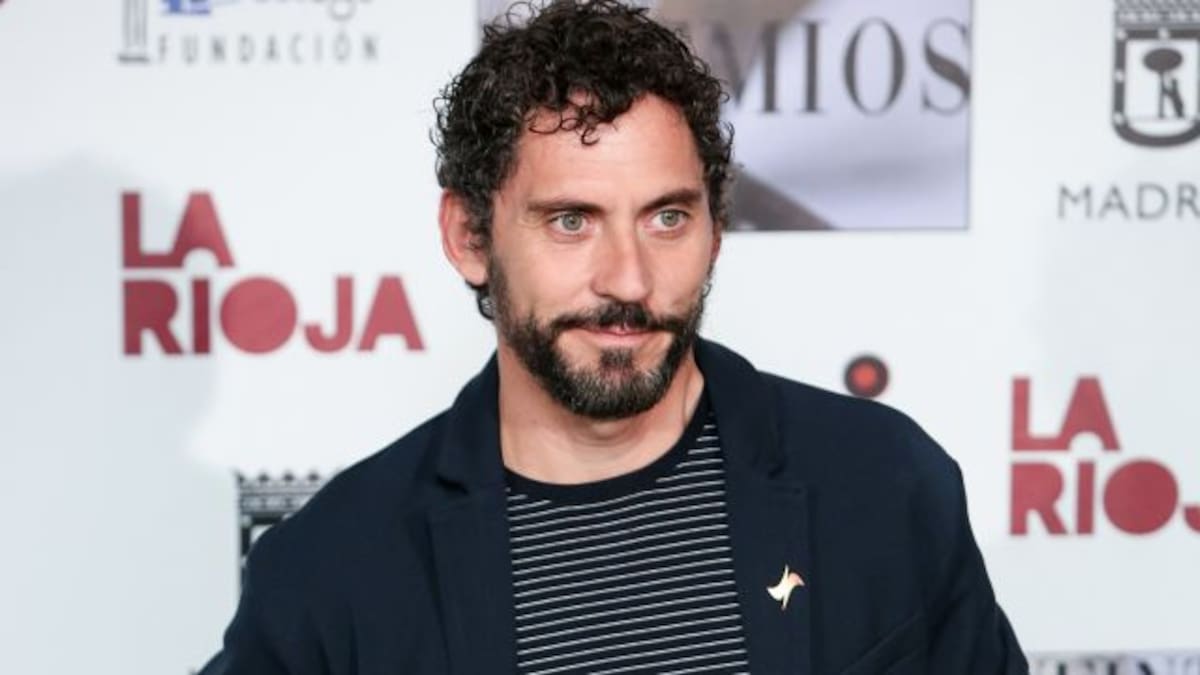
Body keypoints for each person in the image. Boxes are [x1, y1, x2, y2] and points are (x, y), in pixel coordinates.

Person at [201, 1, 1026, 673]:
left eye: (667, 217)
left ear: (715, 227)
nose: (628, 279)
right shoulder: (331, 571)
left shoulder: (884, 483)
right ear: (469, 236)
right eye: (572, 220)